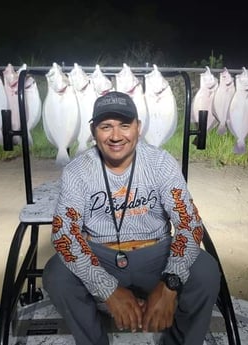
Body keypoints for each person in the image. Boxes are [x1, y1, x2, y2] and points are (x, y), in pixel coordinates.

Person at [42, 91, 220, 345]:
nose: (116, 136)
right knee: (56, 275)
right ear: (93, 131)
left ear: (138, 127)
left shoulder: (161, 163)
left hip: (155, 251)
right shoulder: (77, 170)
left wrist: (169, 284)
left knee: (206, 271)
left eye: (125, 125)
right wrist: (108, 290)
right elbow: (64, 234)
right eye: (106, 126)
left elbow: (189, 224)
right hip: (100, 253)